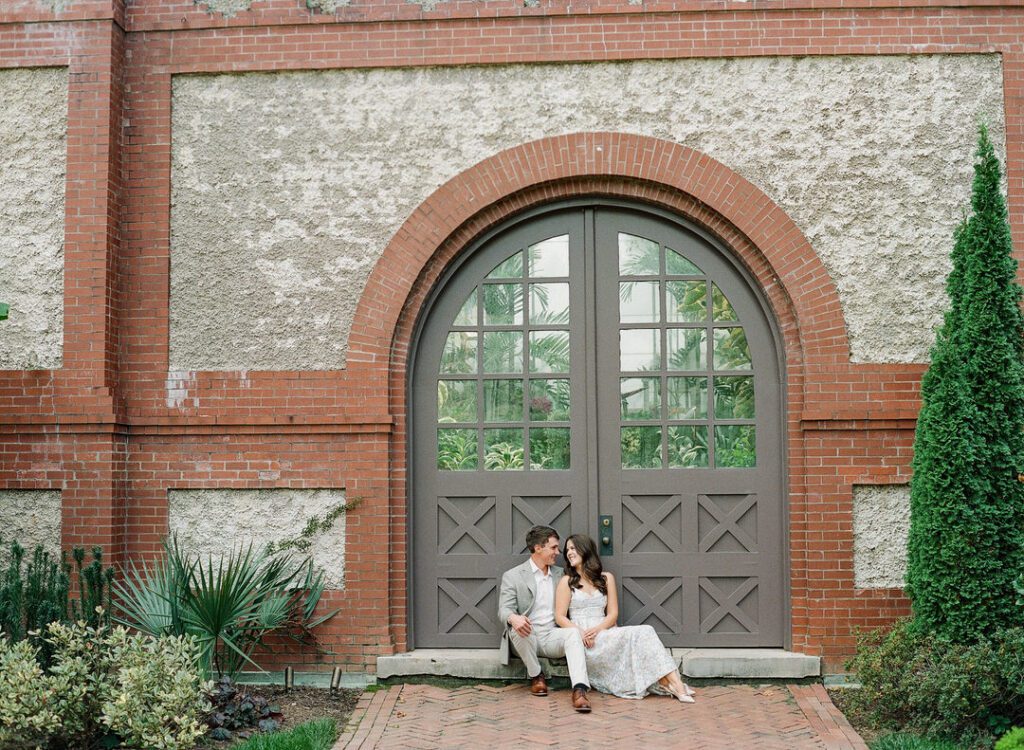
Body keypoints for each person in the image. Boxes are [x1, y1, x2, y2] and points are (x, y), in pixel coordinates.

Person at [554, 533, 695, 702]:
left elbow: (613, 614)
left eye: (573, 548)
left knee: (645, 632)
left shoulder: (606, 578)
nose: (569, 552)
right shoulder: (567, 581)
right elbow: (560, 616)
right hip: (584, 641)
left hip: (605, 632)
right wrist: (582, 633)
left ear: (585, 550)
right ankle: (673, 685)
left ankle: (675, 684)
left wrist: (597, 630)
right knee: (644, 632)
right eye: (567, 550)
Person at [498, 525, 594, 713]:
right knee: (517, 628)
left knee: (573, 634)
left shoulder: (561, 575)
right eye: (554, 548)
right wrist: (513, 618)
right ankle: (536, 676)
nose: (558, 553)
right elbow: (503, 609)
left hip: (552, 635)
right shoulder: (513, 576)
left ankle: (580, 690)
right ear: (538, 548)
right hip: (527, 636)